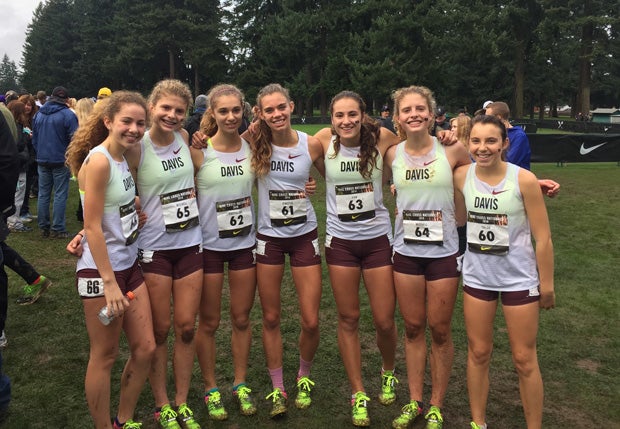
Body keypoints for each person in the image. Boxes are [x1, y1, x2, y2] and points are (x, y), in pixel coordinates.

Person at [453, 114, 555, 429]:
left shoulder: (523, 179)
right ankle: (478, 422)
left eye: (491, 141)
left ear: (505, 143)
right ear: (468, 144)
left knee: (524, 359)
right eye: (476, 141)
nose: (483, 148)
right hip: (478, 277)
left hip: (518, 279)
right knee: (479, 352)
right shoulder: (461, 176)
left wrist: (547, 284)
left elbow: (543, 237)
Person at [65, 91, 155, 429]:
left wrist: (131, 213)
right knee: (104, 356)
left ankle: (124, 419)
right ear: (108, 122)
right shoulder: (100, 160)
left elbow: (103, 213)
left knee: (145, 347)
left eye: (139, 123)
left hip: (129, 264)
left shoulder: (124, 157)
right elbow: (91, 227)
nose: (133, 129)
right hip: (102, 273)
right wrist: (109, 283)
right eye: (126, 122)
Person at [384, 85, 472, 429]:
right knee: (413, 327)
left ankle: (436, 404)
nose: (414, 115)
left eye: (421, 108)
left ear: (433, 114)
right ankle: (415, 400)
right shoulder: (392, 154)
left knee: (439, 330)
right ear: (398, 118)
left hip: (444, 252)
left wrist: (461, 224)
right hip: (405, 252)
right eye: (407, 110)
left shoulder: (452, 150)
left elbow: (482, 179)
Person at [313, 91, 399, 427]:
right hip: (341, 244)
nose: (346, 121)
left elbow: (422, 148)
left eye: (352, 114)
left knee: (384, 320)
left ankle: (388, 371)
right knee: (348, 318)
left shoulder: (383, 138)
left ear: (363, 115)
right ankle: (358, 391)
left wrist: (450, 134)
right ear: (331, 118)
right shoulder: (322, 141)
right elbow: (288, 149)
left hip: (378, 241)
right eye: (339, 115)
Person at [124, 79, 203, 429]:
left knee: (187, 327)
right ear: (152, 106)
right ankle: (161, 403)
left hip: (190, 244)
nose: (171, 116)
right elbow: (111, 188)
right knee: (160, 329)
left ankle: (182, 399)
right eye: (165, 108)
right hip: (154, 246)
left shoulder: (185, 139)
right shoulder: (136, 147)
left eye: (179, 111)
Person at [250, 83, 324, 418]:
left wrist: (313, 184)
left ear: (291, 106)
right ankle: (277, 387)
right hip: (268, 237)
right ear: (261, 114)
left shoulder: (312, 144)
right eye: (269, 110)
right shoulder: (253, 142)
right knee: (270, 316)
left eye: (282, 107)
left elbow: (335, 178)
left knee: (310, 319)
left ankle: (303, 377)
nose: (277, 114)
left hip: (303, 234)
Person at [191, 84, 258, 421]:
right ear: (212, 114)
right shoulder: (198, 153)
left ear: (243, 110)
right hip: (210, 248)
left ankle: (241, 382)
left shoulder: (252, 146)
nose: (231, 117)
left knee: (242, 318)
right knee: (210, 321)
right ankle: (210, 387)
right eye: (223, 111)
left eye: (236, 110)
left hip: (244, 246)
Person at [484, 102, 560, 197]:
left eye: (488, 117)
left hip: (516, 189)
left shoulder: (518, 136)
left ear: (498, 118)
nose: (485, 120)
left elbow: (509, 162)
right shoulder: (493, 135)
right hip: (496, 187)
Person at [32, 86, 79, 238]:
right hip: (60, 159)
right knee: (60, 194)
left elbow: (35, 138)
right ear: (66, 99)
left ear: (51, 97)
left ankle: (44, 226)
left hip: (42, 158)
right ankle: (58, 228)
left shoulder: (38, 114)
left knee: (43, 194)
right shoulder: (68, 115)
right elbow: (75, 139)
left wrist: (40, 152)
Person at [5, 101, 33, 233]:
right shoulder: (16, 127)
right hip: (19, 164)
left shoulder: (9, 124)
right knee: (17, 195)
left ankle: (12, 219)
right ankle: (13, 222)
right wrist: (27, 136)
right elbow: (18, 145)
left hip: (16, 164)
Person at [16, 94, 38, 222]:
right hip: (24, 156)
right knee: (22, 186)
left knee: (28, 184)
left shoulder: (33, 119)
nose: (27, 107)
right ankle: (21, 212)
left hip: (31, 156)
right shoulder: (19, 121)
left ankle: (25, 209)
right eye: (25, 104)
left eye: (29, 105)